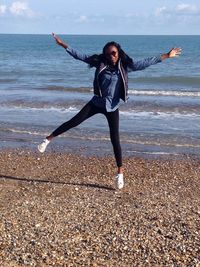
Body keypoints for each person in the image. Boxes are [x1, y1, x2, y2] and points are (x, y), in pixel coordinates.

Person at [38, 33, 181, 189]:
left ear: (118, 52)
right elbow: (80, 56)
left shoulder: (125, 66)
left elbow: (146, 62)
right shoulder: (100, 63)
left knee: (115, 139)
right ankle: (48, 139)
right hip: (96, 103)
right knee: (74, 121)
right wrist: (63, 45)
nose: (111, 56)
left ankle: (120, 173)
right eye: (108, 54)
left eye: (113, 53)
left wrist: (167, 55)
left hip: (112, 107)